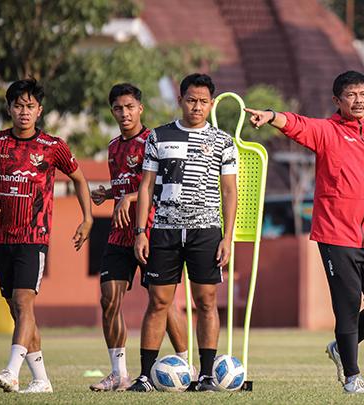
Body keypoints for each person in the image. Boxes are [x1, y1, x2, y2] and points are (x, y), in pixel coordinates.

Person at [245, 70, 364, 394]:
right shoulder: (327, 132)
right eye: (350, 95)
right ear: (337, 100)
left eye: (363, 94)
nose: (358, 100)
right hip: (335, 236)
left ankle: (341, 347)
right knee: (346, 305)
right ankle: (352, 378)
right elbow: (298, 124)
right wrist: (272, 116)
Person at [0, 79, 93, 393]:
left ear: (40, 110)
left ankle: (12, 372)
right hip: (1, 236)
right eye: (19, 105)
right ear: (9, 108)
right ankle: (41, 380)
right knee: (17, 308)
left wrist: (88, 218)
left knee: (24, 303)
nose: (25, 112)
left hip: (33, 235)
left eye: (31, 106)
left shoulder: (53, 146)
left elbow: (79, 178)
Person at [127, 73, 238, 392]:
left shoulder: (223, 141)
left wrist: (227, 238)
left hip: (206, 233)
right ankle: (146, 376)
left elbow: (229, 192)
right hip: (164, 231)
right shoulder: (158, 137)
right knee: (158, 302)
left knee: (206, 302)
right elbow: (146, 186)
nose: (197, 106)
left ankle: (205, 376)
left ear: (212, 103)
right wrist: (140, 232)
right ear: (180, 100)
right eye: (191, 100)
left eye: (204, 101)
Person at [89, 83, 189, 391]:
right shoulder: (113, 147)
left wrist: (130, 198)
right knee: (108, 299)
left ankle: (187, 366)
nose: (124, 113)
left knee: (164, 302)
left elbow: (164, 185)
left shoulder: (154, 140)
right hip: (119, 236)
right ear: (112, 111)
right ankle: (119, 373)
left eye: (130, 107)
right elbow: (124, 187)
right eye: (118, 108)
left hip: (153, 232)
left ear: (140, 109)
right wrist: (110, 194)